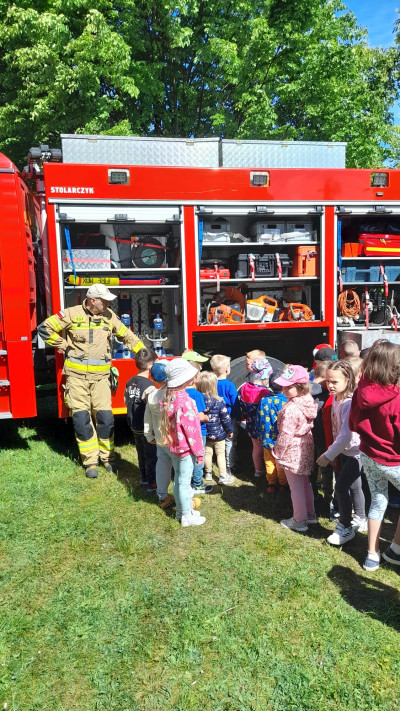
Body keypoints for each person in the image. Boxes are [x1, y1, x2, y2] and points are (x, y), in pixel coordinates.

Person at [38, 283, 144, 478]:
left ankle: (108, 458)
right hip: (76, 379)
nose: (108, 304)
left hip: (101, 380)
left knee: (105, 419)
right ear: (93, 300)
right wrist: (63, 345)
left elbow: (127, 336)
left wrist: (145, 354)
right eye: (104, 301)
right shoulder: (71, 314)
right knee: (81, 420)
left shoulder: (109, 316)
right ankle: (90, 462)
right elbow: (44, 329)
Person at [349, 340, 400, 571]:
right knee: (380, 499)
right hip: (392, 460)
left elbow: (352, 423)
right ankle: (396, 550)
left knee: (378, 499)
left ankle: (372, 554)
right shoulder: (396, 398)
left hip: (368, 455)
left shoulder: (361, 390)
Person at [317, 360, 367, 546]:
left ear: (348, 380)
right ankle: (360, 519)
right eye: (328, 380)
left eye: (335, 382)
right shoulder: (337, 398)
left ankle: (345, 526)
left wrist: (328, 454)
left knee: (340, 487)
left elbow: (346, 435)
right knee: (354, 486)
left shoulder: (348, 402)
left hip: (356, 453)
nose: (330, 385)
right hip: (346, 452)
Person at [159, 358, 206, 527]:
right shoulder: (185, 401)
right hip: (186, 449)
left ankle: (182, 510)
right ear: (186, 379)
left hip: (174, 447)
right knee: (184, 482)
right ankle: (186, 515)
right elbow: (192, 430)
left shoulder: (170, 397)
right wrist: (199, 452)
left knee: (179, 478)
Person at [272, 365, 318, 533]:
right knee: (305, 482)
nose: (283, 389)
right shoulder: (308, 401)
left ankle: (299, 520)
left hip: (292, 449)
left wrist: (278, 452)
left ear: (300, 387)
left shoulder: (291, 408)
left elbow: (285, 434)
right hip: (305, 446)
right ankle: (310, 514)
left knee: (295, 486)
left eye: (288, 386)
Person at [125, 347, 158, 490]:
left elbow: (126, 400)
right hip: (146, 428)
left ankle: (143, 478)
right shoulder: (150, 386)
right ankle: (152, 484)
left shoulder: (130, 381)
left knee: (140, 453)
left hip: (134, 425)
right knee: (151, 456)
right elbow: (153, 408)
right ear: (151, 366)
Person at [144, 361, 175, 509]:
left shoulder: (152, 396)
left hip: (159, 438)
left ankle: (162, 495)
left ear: (154, 380)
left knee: (162, 464)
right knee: (180, 468)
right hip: (174, 439)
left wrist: (148, 436)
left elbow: (147, 418)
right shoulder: (173, 395)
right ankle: (182, 495)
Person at [197, 371, 234, 485]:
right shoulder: (219, 401)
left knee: (207, 453)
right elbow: (225, 418)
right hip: (219, 434)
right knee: (220, 454)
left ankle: (208, 473)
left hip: (205, 433)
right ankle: (223, 475)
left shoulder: (199, 400)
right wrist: (230, 430)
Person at [240, 352, 272, 477]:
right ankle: (270, 471)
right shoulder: (265, 392)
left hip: (250, 423)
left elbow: (242, 405)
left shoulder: (245, 387)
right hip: (263, 424)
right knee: (267, 448)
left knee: (256, 447)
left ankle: (258, 471)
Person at [255, 370, 288, 493]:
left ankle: (271, 483)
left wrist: (258, 433)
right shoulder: (286, 401)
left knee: (269, 460)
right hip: (281, 440)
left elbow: (258, 419)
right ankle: (283, 484)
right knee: (280, 462)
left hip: (266, 437)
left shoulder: (264, 401)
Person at [210, 354, 240, 476]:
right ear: (227, 369)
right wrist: (238, 417)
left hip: (214, 418)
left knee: (216, 442)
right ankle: (230, 465)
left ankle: (216, 463)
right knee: (230, 441)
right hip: (229, 417)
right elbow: (235, 403)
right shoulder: (229, 385)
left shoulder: (210, 384)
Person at [185, 363, 212, 494]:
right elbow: (200, 416)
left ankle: (187, 481)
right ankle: (197, 484)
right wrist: (207, 418)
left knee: (187, 457)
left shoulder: (181, 392)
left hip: (184, 432)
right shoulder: (197, 395)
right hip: (198, 432)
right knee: (198, 458)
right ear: (195, 378)